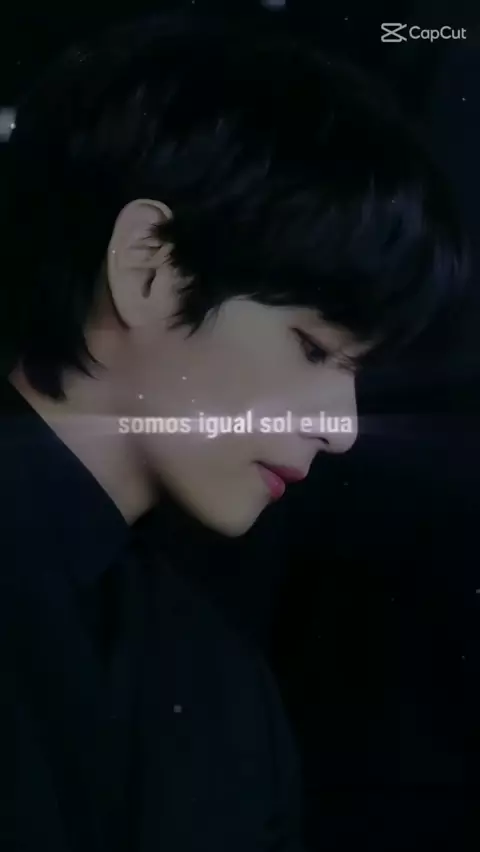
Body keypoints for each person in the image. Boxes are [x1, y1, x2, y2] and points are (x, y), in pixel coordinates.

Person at [0, 11, 468, 852]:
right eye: (312, 347)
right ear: (149, 266)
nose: (341, 430)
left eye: (355, 370)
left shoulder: (224, 689)